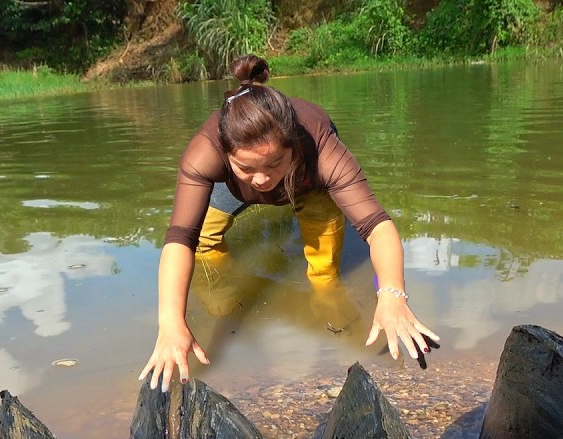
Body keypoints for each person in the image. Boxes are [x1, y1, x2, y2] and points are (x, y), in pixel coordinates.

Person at [139, 54, 438, 391]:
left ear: (294, 146)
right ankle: (222, 288)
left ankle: (326, 291)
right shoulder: (204, 153)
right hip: (234, 187)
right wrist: (170, 322)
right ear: (226, 154)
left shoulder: (322, 151)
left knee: (324, 270)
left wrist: (392, 293)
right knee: (205, 245)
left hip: (306, 182)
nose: (262, 179)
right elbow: (181, 237)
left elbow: (376, 225)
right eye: (247, 168)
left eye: (274, 163)